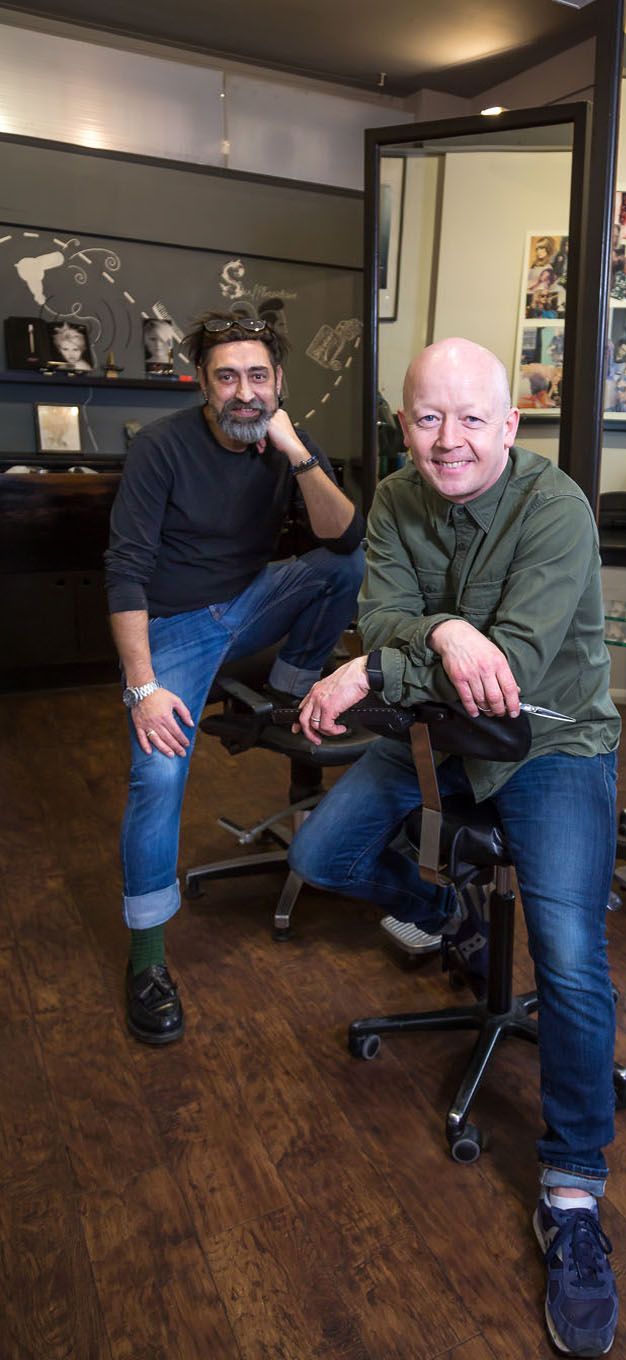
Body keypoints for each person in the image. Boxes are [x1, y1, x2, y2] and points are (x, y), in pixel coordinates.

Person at [288, 337, 623, 1358]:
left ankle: (571, 1193)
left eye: (473, 418)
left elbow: (507, 677)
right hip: (433, 733)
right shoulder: (394, 497)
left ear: (509, 425)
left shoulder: (555, 507)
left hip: (550, 743)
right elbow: (385, 616)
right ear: (404, 425)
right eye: (429, 418)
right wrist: (436, 633)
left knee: (567, 959)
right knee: (322, 857)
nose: (450, 440)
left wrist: (377, 668)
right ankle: (449, 917)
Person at [104, 310, 365, 1045]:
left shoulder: (283, 439)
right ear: (202, 383)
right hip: (174, 630)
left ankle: (282, 693)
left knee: (343, 564)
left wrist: (297, 453)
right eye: (226, 377)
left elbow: (345, 538)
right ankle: (148, 960)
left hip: (249, 612)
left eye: (257, 376)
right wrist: (141, 688)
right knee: (155, 779)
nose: (243, 392)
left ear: (278, 383)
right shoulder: (161, 448)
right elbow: (124, 570)